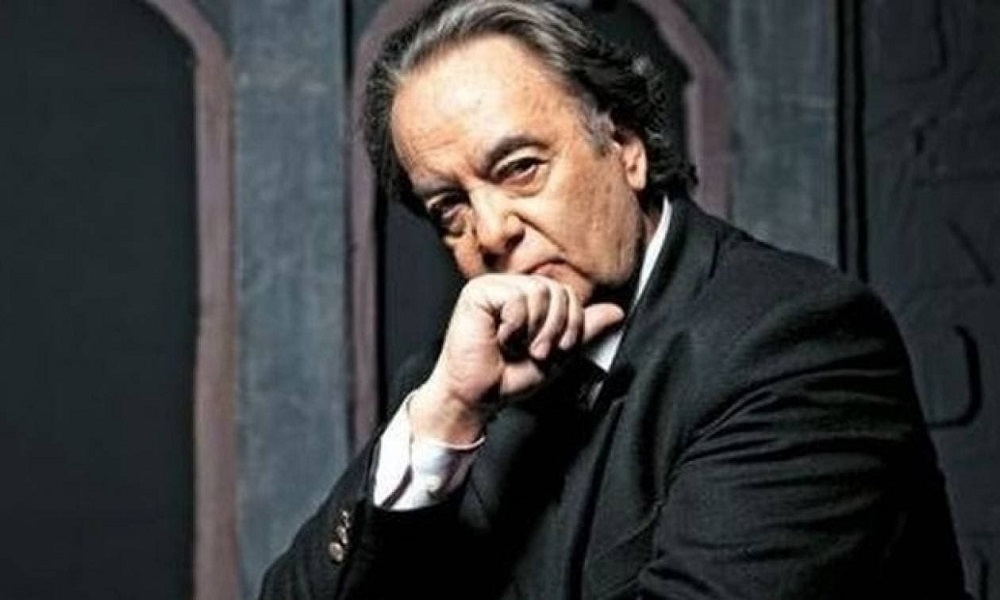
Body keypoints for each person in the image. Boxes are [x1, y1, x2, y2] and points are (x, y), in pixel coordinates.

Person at [260, 1, 968, 598]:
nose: (491, 230)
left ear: (625, 148)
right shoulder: (455, 385)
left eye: (521, 168)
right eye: (451, 208)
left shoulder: (793, 341)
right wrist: (443, 414)